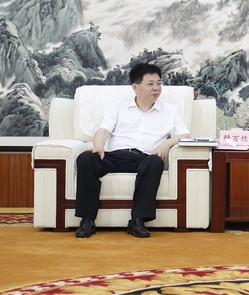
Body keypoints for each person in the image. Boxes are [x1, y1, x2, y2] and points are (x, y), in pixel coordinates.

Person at [74, 63, 191, 238]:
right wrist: (98, 146)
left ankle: (137, 220)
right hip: (115, 156)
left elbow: (185, 136)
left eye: (159, 83)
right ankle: (87, 220)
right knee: (86, 158)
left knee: (155, 161)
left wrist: (168, 142)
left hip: (145, 159)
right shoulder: (118, 107)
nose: (156, 88)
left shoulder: (169, 111)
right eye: (150, 84)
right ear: (135, 87)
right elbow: (103, 130)